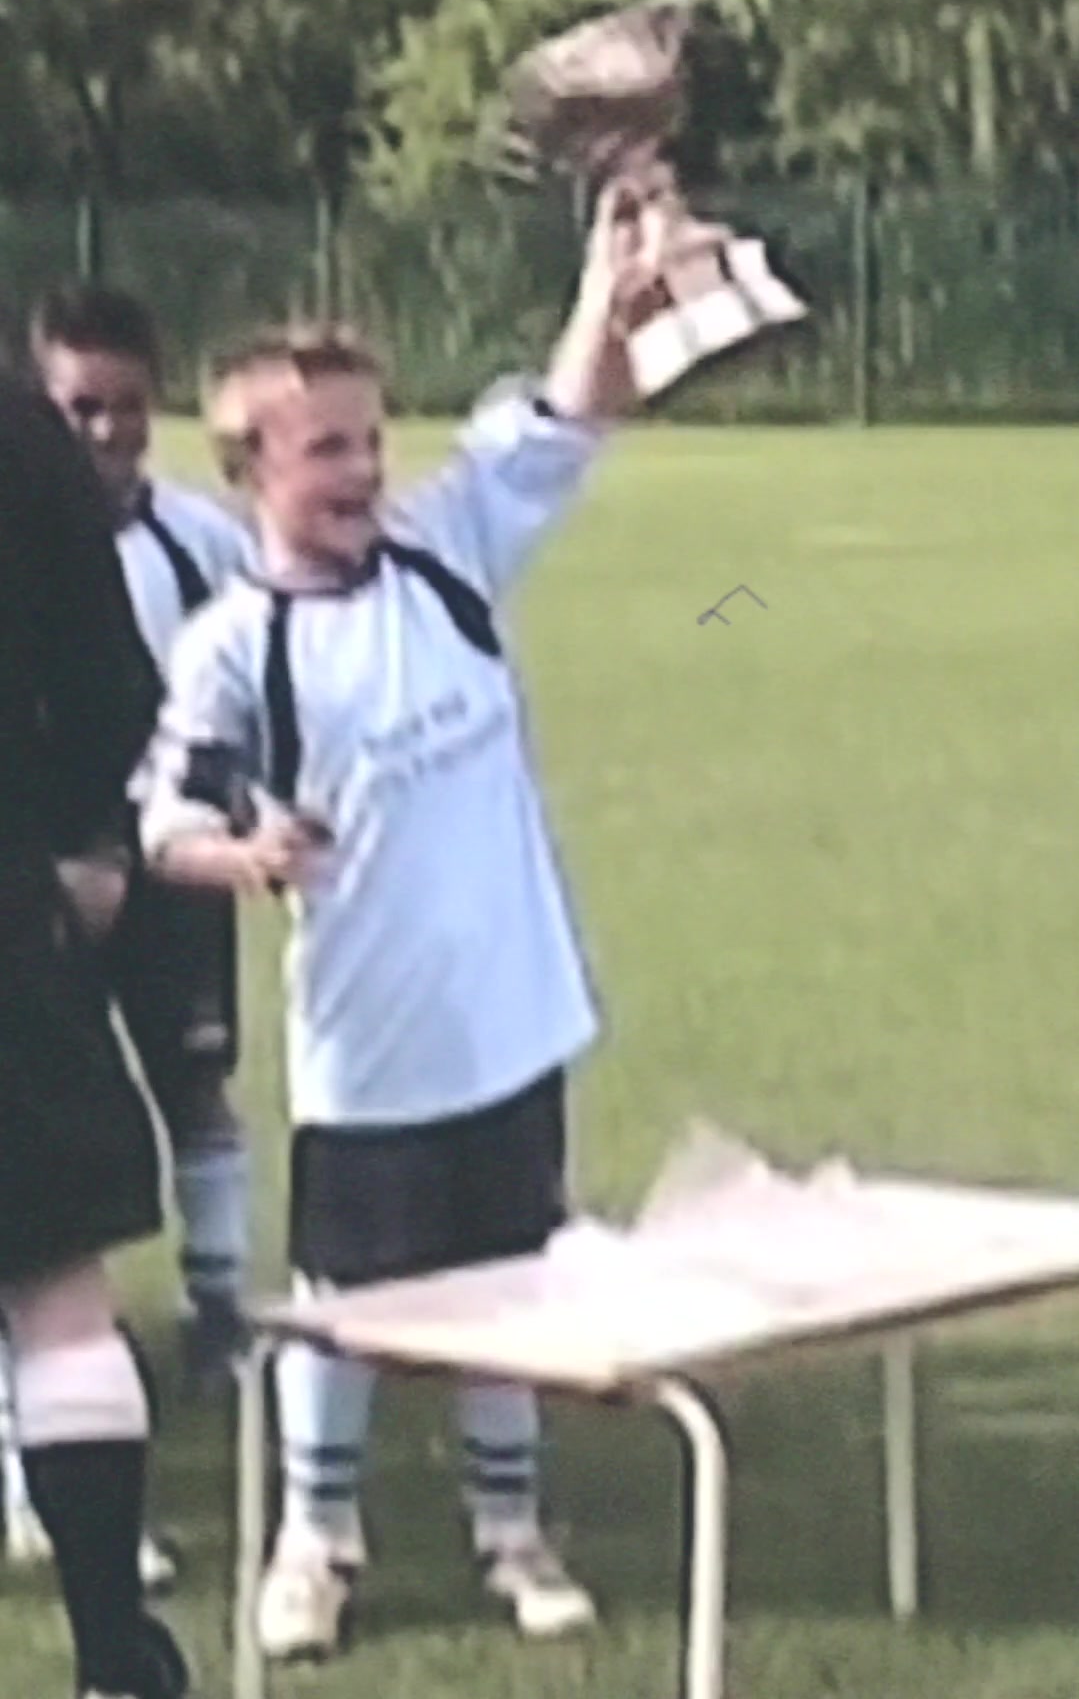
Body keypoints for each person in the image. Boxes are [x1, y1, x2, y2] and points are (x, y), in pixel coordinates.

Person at [140, 170, 702, 1663]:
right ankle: (315, 1542)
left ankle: (513, 1532)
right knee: (348, 1305)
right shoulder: (234, 649)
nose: (363, 471)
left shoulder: (446, 562)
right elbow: (162, 824)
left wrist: (605, 284)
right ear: (252, 468)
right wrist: (249, 851)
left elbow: (570, 411)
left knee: (512, 1284)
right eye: (327, 448)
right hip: (369, 1049)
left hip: (510, 1022)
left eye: (372, 440)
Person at [0, 370, 188, 1698]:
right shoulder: (15, 428)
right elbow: (114, 681)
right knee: (59, 1295)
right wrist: (76, 840)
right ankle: (115, 1658)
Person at [31, 283, 252, 1381]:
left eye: (126, 406)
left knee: (195, 1079)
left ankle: (221, 1307)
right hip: (48, 864)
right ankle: (55, 1330)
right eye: (81, 407)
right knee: (40, 1114)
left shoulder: (201, 542)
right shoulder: (25, 543)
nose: (108, 431)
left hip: (174, 854)